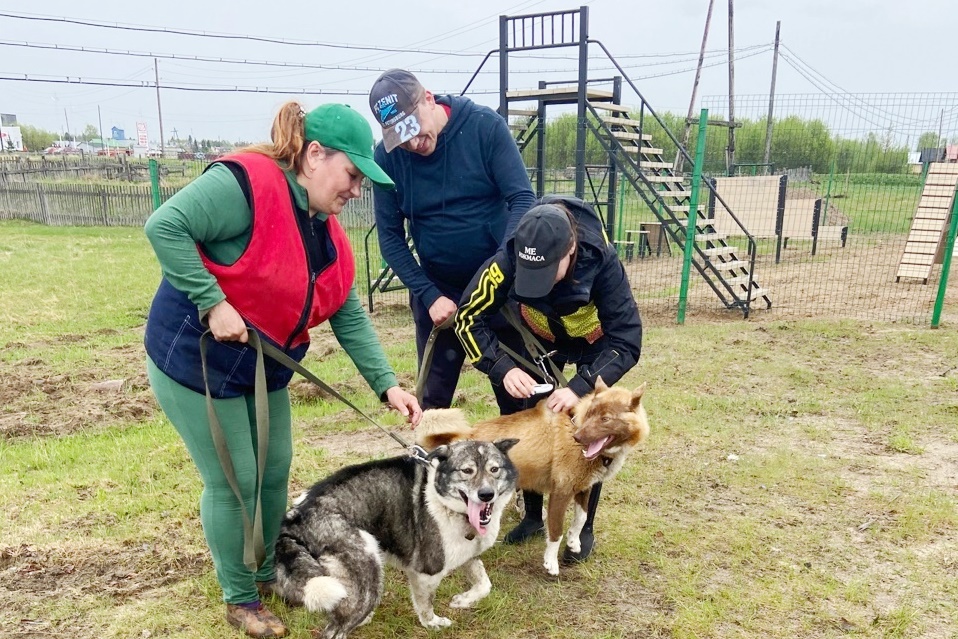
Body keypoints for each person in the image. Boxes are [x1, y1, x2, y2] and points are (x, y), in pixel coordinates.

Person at [143, 102, 422, 639]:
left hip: (260, 367)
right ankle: (241, 597)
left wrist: (387, 384)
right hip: (193, 357)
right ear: (315, 155)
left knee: (273, 475)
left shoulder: (326, 229)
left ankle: (268, 566)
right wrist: (210, 300)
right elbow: (165, 225)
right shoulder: (244, 185)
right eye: (353, 174)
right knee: (236, 481)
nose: (356, 190)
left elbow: (345, 309)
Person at [454, 195, 643, 563]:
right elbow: (466, 318)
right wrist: (501, 368)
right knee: (525, 419)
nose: (538, 281)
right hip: (534, 337)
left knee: (589, 424)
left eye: (547, 272)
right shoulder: (510, 256)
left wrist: (580, 386)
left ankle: (583, 527)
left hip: (592, 341)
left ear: (570, 250)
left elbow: (627, 339)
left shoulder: (603, 263)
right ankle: (531, 517)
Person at [368, 68, 537, 413]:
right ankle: (432, 466)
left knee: (520, 403)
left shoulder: (484, 127)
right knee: (431, 408)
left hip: (498, 287)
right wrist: (428, 295)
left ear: (428, 99)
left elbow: (522, 200)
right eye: (402, 138)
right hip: (439, 294)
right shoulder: (387, 157)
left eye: (415, 130)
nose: (413, 144)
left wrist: (500, 271)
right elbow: (389, 237)